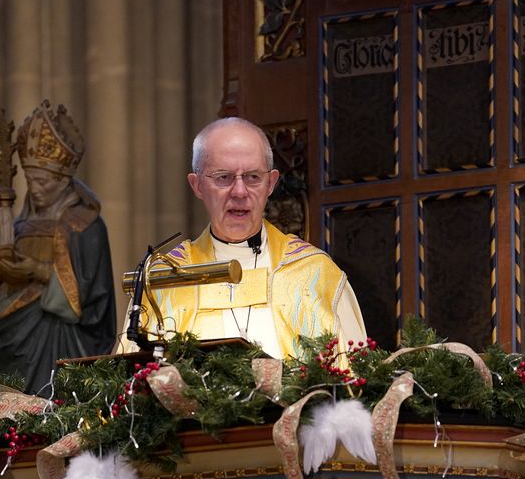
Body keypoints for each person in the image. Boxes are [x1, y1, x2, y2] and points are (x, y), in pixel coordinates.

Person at [120, 117, 366, 359]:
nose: (239, 192)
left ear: (271, 184)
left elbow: (352, 384)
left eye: (253, 177)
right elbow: (128, 383)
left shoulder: (315, 274)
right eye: (223, 177)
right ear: (197, 186)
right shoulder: (164, 279)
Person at [0, 101, 116, 393]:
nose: (35, 189)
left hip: (60, 342)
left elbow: (95, 303)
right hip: (15, 344)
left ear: (64, 180)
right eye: (30, 180)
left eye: (42, 181)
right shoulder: (21, 226)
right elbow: (6, 296)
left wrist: (40, 272)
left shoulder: (86, 226)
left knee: (52, 404)